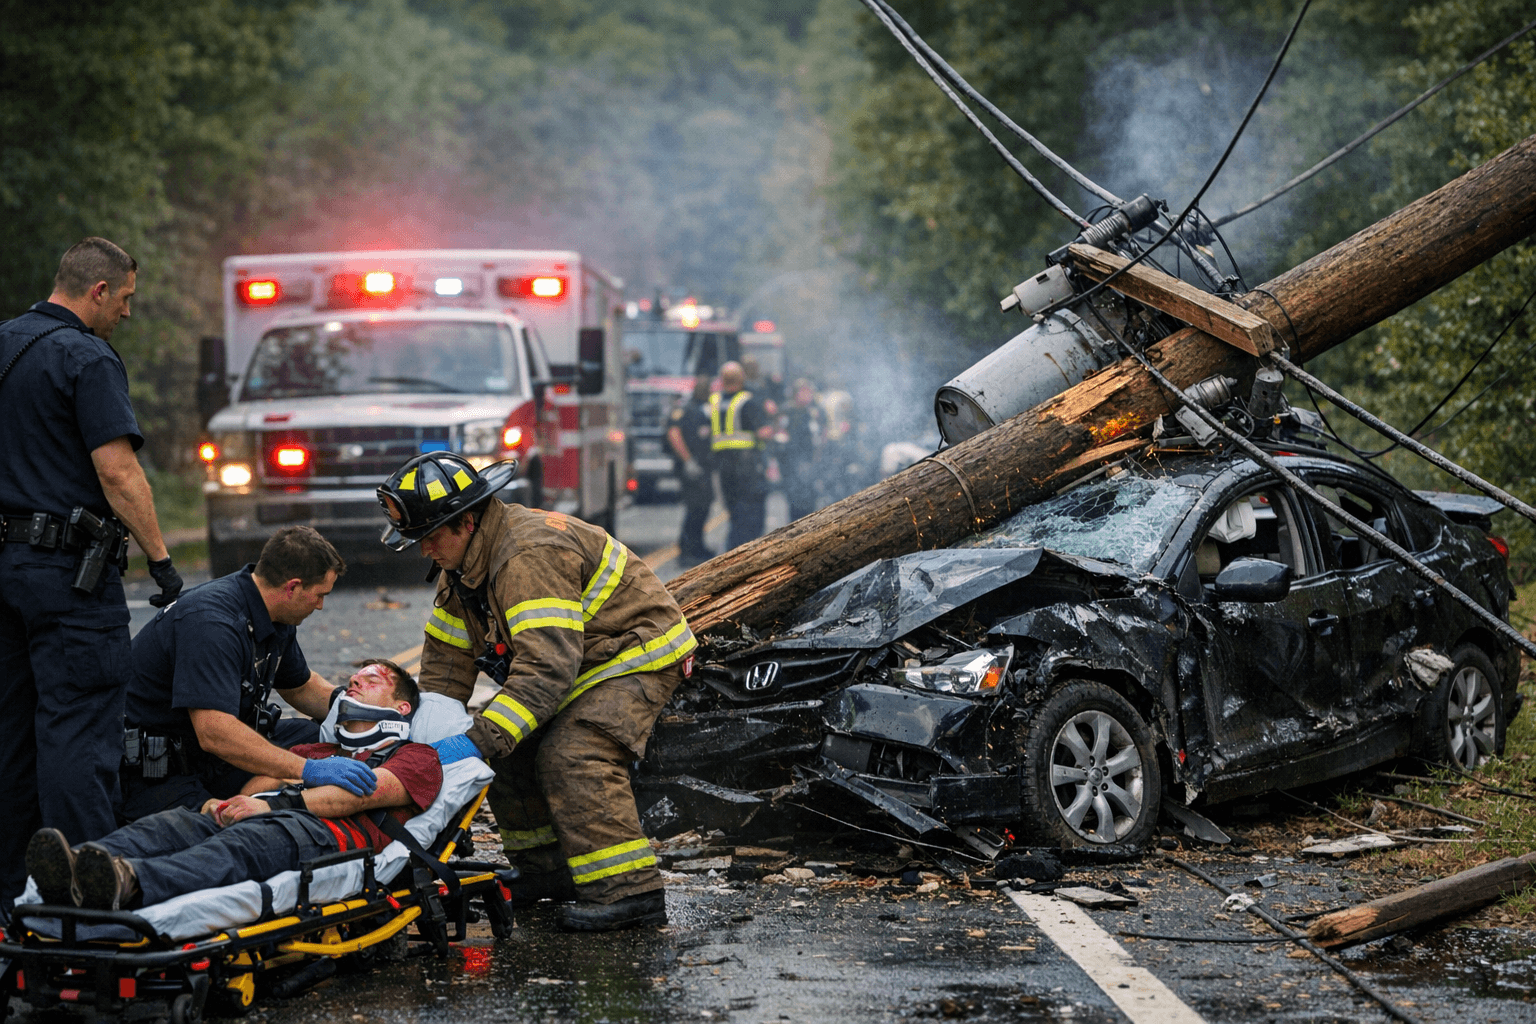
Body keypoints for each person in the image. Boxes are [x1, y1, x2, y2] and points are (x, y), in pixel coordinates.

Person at [374, 452, 694, 931]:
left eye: (430, 537)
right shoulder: (463, 567)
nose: (424, 551)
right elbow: (444, 665)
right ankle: (549, 872)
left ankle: (630, 892)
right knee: (501, 746)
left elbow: (546, 670)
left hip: (631, 658)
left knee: (572, 753)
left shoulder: (527, 557)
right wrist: (421, 741)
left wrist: (477, 741)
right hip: (578, 666)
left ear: (465, 522)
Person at [0, 238, 184, 913]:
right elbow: (117, 472)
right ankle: (86, 900)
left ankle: (12, 902)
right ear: (98, 290)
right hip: (67, 579)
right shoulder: (86, 356)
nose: (128, 315)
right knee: (78, 732)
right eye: (127, 299)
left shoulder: (4, 344)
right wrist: (161, 560)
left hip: (5, 573)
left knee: (12, 737)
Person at [23, 660, 439, 911]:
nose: (356, 679)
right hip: (270, 815)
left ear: (401, 707)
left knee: (233, 850)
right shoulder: (317, 747)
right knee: (173, 825)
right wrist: (232, 805)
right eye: (356, 674)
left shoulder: (418, 757)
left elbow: (360, 793)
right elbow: (264, 783)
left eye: (374, 677)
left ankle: (126, 879)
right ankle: (71, 868)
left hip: (323, 836)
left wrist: (272, 806)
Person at [120, 526, 369, 821]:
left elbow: (300, 687)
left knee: (327, 740)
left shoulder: (274, 611)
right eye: (319, 595)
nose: (321, 605)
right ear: (292, 587)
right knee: (217, 823)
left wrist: (364, 711)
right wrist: (305, 769)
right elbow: (215, 732)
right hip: (161, 769)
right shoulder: (212, 624)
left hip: (214, 754)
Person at [708, 361, 776, 551]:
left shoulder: (714, 401)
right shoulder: (747, 401)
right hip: (747, 467)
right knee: (750, 515)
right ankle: (743, 552)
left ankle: (734, 550)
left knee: (734, 512)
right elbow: (764, 432)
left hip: (723, 466)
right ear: (742, 378)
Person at [666, 377, 715, 564]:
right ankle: (687, 550)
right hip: (690, 468)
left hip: (704, 467)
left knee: (703, 507)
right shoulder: (685, 410)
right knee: (695, 508)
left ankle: (698, 546)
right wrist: (687, 460)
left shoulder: (705, 410)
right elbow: (674, 433)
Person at [780, 378, 825, 522]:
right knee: (796, 504)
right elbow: (782, 438)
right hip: (793, 464)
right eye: (804, 391)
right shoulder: (788, 411)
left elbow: (822, 433)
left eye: (809, 391)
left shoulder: (815, 411)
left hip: (812, 462)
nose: (808, 395)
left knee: (811, 504)